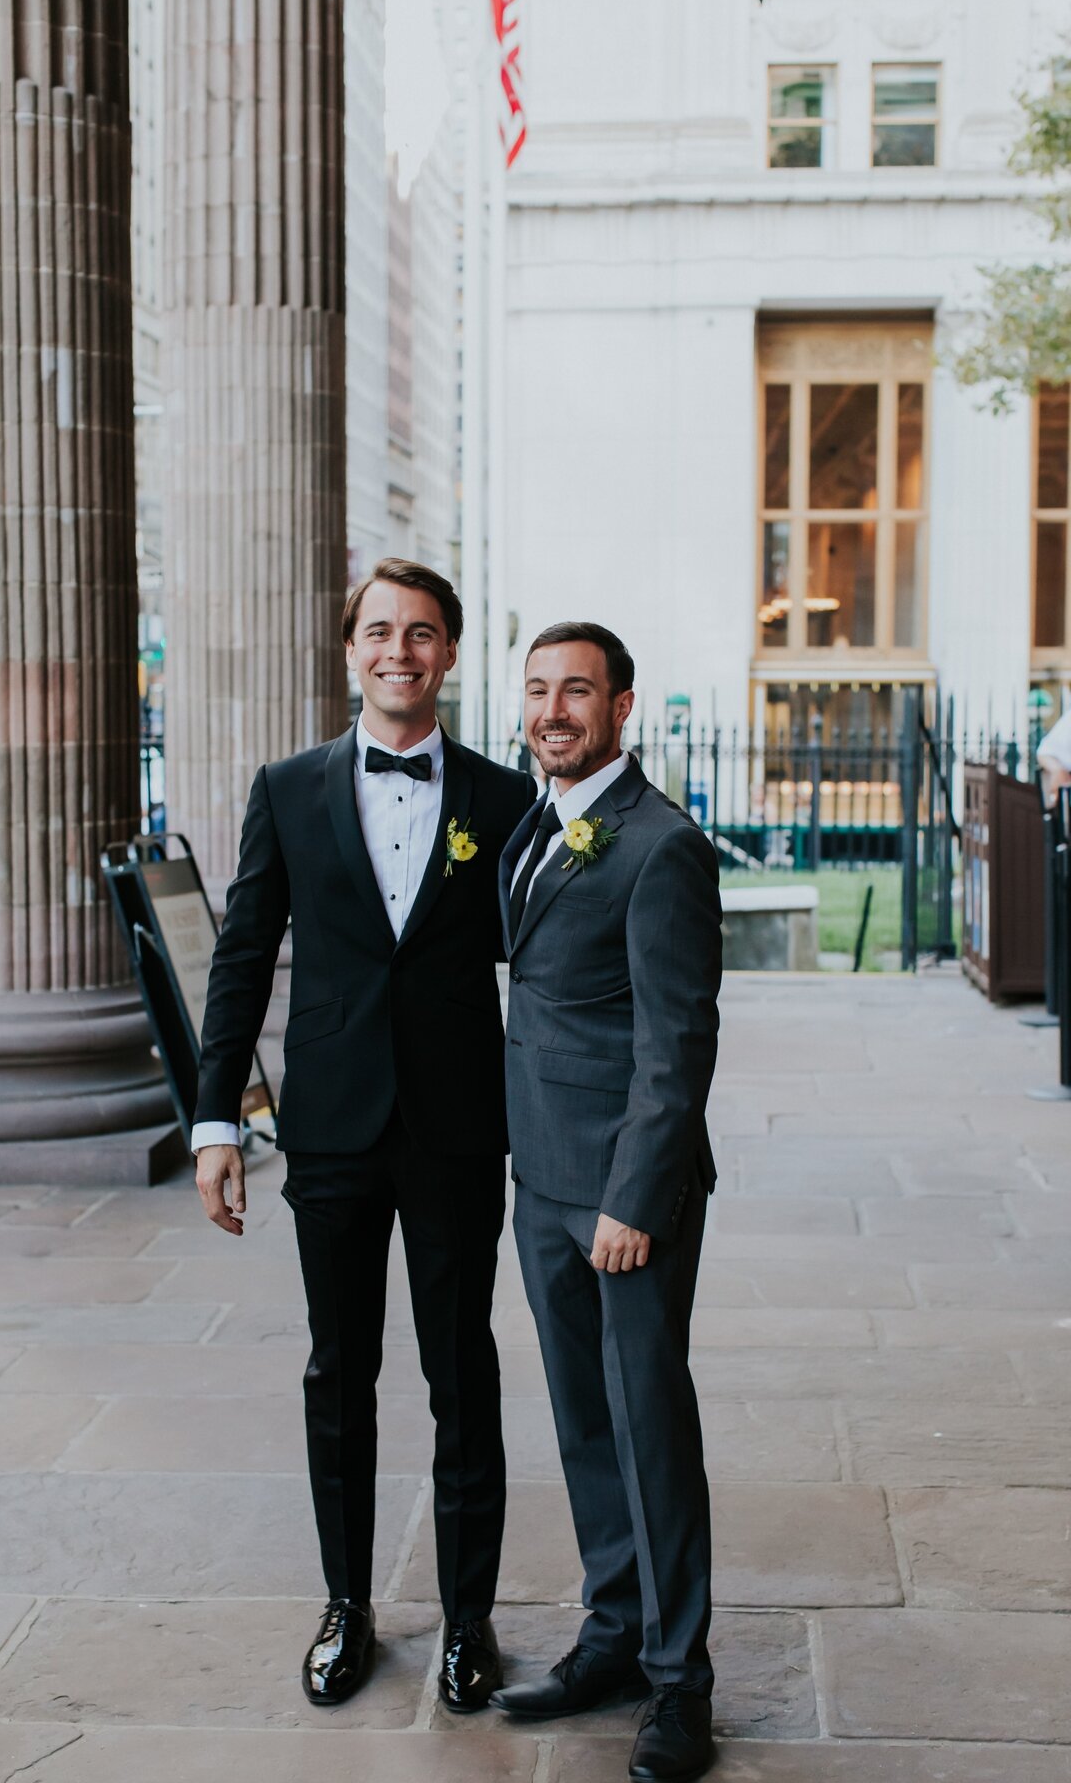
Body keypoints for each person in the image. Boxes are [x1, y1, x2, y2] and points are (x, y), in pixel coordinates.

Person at [190, 559, 537, 1711]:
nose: (401, 649)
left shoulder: (501, 798)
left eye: (423, 632)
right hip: (330, 1127)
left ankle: (469, 1620)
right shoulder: (287, 788)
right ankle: (347, 1603)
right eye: (380, 630)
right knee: (339, 1371)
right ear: (352, 651)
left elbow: (548, 966)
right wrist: (215, 1119)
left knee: (461, 1375)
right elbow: (241, 958)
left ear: (449, 653)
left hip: (453, 1130)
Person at [490, 622, 721, 1783]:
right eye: (537, 689)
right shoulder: (535, 822)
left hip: (625, 1199)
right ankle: (615, 1635)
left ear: (622, 704)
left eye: (575, 690)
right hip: (543, 1181)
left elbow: (678, 1041)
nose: (552, 709)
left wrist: (634, 1195)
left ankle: (683, 1683)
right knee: (584, 1422)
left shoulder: (659, 844)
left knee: (647, 1427)